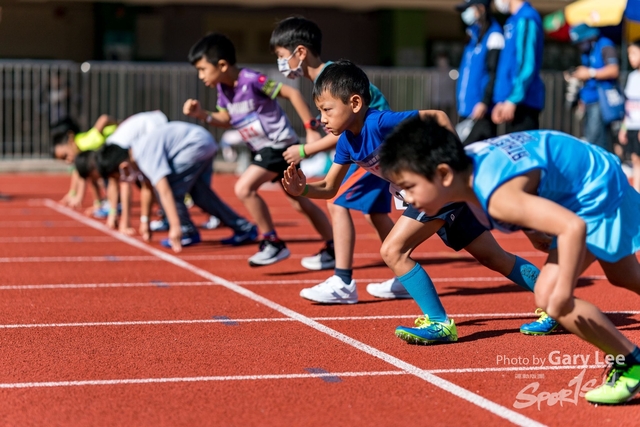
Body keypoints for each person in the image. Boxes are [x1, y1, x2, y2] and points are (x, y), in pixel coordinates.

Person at [282, 60, 555, 341]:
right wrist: (302, 190)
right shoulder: (345, 143)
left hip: (437, 191)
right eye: (320, 111)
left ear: (354, 103)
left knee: (393, 251)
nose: (322, 118)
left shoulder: (378, 122)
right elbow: (329, 188)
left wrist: (454, 160)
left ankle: (439, 323)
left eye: (327, 110)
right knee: (493, 257)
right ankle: (557, 304)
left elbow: (436, 116)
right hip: (434, 196)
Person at [379, 118, 640, 405]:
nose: (406, 198)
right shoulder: (469, 169)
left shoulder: (495, 196)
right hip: (591, 172)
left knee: (552, 298)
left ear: (443, 173)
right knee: (624, 276)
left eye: (409, 187)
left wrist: (563, 288)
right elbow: (530, 171)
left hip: (594, 189)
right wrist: (532, 229)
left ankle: (630, 362)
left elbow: (572, 227)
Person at [270, 16, 397, 303]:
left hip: (374, 151)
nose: (281, 63)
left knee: (335, 200)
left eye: (281, 56)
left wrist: (305, 150)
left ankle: (342, 281)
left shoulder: (333, 78)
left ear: (299, 52)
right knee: (376, 213)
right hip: (371, 150)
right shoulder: (325, 79)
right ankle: (403, 273)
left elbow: (348, 128)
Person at [183, 33, 333, 266]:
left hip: (279, 146)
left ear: (222, 65)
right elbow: (228, 118)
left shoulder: (252, 80)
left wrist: (311, 127)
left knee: (244, 187)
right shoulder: (224, 90)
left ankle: (272, 242)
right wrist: (203, 115)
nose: (201, 76)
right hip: (263, 149)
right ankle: (333, 245)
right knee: (299, 200)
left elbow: (291, 93)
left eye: (203, 69)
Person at [84, 121, 255, 252]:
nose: (123, 180)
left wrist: (174, 227)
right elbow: (147, 188)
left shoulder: (144, 155)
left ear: (123, 167)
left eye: (118, 177)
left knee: (171, 189)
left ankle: (185, 230)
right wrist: (145, 221)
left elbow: (165, 190)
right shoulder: (137, 155)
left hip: (195, 144)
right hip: (201, 141)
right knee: (200, 194)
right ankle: (243, 227)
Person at [491, 0, 545, 132]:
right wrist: (501, 100)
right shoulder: (512, 20)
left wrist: (513, 99)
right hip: (511, 101)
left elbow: (527, 63)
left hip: (524, 103)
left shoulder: (526, 17)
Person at [455, 0, 504, 143]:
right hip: (466, 109)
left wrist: (484, 101)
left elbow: (494, 72)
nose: (466, 13)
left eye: (469, 8)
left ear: (481, 8)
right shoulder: (473, 35)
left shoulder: (495, 36)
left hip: (481, 111)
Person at [570, 24, 621, 153]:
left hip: (602, 101)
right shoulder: (587, 52)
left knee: (596, 141)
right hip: (589, 100)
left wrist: (590, 73)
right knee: (591, 138)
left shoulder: (605, 45)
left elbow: (614, 70)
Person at [51, 115, 117, 213]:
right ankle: (102, 203)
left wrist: (120, 126)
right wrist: (73, 193)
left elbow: (104, 119)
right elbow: (79, 172)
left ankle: (113, 205)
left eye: (65, 156)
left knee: (103, 176)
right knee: (94, 174)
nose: (68, 160)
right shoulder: (78, 144)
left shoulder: (86, 143)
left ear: (70, 140)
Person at [620, 39, 640, 192]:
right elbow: (628, 105)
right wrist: (623, 128)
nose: (631, 57)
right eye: (629, 54)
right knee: (635, 160)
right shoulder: (632, 77)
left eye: (634, 53)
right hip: (632, 125)